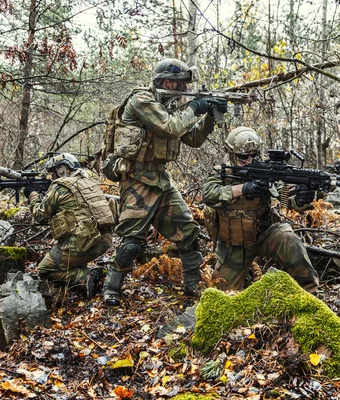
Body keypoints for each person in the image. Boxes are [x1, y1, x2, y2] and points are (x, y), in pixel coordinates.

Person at [101, 58, 229, 306]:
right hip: (137, 178)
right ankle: (111, 289)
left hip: (160, 178)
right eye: (177, 84)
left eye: (182, 85)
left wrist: (210, 115)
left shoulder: (169, 105)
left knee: (188, 232)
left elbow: (192, 139)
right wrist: (195, 106)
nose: (180, 89)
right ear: (164, 81)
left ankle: (194, 288)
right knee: (131, 241)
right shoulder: (142, 100)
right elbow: (170, 127)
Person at [202, 127, 319, 293]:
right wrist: (243, 189)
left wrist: (301, 199)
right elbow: (208, 194)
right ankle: (248, 276)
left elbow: (286, 196)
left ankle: (310, 296)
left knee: (290, 241)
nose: (249, 161)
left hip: (264, 235)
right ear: (231, 154)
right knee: (223, 294)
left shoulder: (264, 170)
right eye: (243, 157)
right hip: (235, 246)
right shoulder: (223, 172)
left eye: (253, 156)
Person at [25, 153, 116, 299]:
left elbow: (39, 216)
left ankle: (85, 277)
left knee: (44, 269)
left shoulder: (60, 187)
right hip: (104, 242)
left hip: (83, 245)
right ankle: (94, 273)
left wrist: (33, 195)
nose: (53, 176)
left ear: (63, 169)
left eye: (54, 172)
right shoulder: (90, 182)